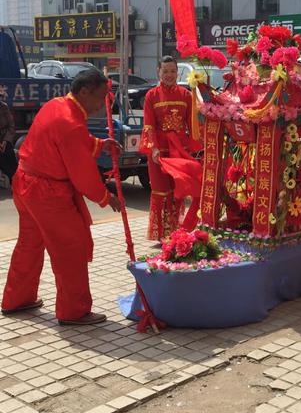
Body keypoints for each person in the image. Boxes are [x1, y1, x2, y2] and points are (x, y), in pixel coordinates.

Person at [1, 70, 122, 325]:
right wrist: (105, 196)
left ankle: (17, 299)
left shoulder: (57, 105)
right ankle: (73, 311)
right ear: (84, 92)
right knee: (71, 247)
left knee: (29, 244)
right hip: (47, 193)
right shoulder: (71, 122)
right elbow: (81, 172)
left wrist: (100, 145)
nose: (102, 105)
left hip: (25, 183)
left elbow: (70, 141)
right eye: (100, 98)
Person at [141, 56, 201, 241]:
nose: (169, 75)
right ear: (158, 72)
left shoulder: (185, 95)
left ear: (177, 72)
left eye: (172, 71)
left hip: (179, 151)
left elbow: (193, 125)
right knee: (160, 190)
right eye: (165, 71)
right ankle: (161, 234)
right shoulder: (151, 95)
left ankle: (176, 231)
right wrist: (154, 149)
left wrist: (196, 149)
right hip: (159, 151)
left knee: (178, 190)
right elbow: (148, 125)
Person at [0, 100, 17, 183]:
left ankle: (16, 185)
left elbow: (11, 126)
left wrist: (5, 141)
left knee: (13, 166)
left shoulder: (3, 106)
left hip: (5, 140)